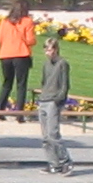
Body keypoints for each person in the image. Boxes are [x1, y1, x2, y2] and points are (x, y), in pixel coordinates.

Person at [36, 36, 73, 175]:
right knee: (45, 137)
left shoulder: (62, 64)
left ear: (56, 49)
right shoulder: (46, 65)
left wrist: (59, 99)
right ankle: (53, 163)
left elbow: (64, 85)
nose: (47, 52)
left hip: (53, 101)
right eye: (45, 49)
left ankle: (66, 161)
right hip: (44, 100)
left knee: (53, 134)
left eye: (50, 49)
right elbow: (44, 82)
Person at [0, 2, 38, 118]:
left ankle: (0, 111)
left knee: (7, 83)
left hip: (5, 54)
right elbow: (30, 40)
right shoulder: (27, 21)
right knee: (21, 84)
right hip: (21, 54)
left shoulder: (4, 22)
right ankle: (19, 114)